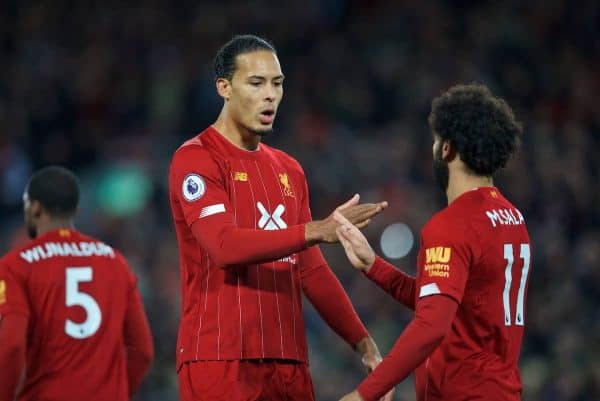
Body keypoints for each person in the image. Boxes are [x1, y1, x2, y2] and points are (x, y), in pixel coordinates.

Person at [168, 34, 391, 401]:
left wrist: (365, 346)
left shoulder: (289, 169)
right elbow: (223, 246)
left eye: (277, 83)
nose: (270, 94)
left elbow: (312, 272)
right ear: (224, 87)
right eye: (256, 83)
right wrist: (315, 230)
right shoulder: (196, 159)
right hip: (220, 359)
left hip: (289, 365)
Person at [334, 84, 529, 401]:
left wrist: (364, 394)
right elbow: (450, 303)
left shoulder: (452, 225)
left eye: (437, 141)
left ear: (448, 149)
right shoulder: (513, 219)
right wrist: (374, 266)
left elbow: (432, 323)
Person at [0, 166, 154, 401]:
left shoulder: (15, 265)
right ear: (76, 210)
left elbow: (11, 346)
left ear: (35, 207)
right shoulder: (115, 262)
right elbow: (142, 351)